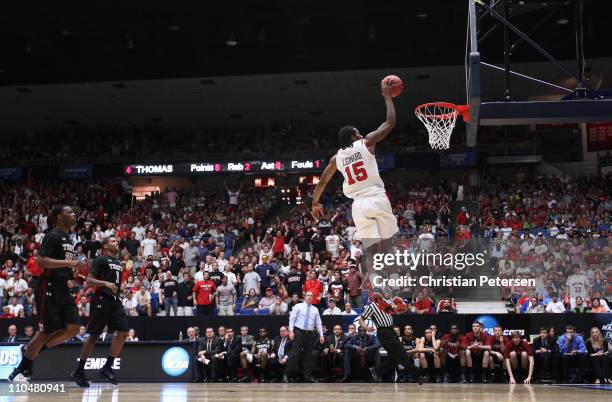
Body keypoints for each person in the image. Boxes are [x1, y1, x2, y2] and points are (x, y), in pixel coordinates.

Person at [312, 82, 398, 277]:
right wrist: (387, 97)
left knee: (371, 247)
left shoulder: (336, 158)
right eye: (357, 132)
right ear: (353, 135)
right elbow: (390, 123)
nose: (360, 134)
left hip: (358, 206)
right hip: (377, 198)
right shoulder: (366, 142)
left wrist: (315, 203)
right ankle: (394, 284)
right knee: (387, 245)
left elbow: (323, 182)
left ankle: (375, 283)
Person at [9, 205, 82, 383]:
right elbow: (41, 261)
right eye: (69, 212)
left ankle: (29, 351)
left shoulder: (67, 238)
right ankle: (19, 371)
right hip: (49, 287)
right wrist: (67, 263)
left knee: (73, 328)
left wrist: (72, 272)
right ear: (58, 217)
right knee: (46, 333)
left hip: (63, 288)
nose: (74, 214)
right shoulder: (52, 235)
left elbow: (63, 263)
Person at [71, 236, 129, 387]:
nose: (117, 242)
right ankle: (79, 370)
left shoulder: (118, 262)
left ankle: (107, 367)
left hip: (115, 301)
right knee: (93, 336)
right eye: (113, 241)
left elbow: (114, 284)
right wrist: (105, 283)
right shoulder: (100, 259)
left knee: (123, 333)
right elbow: (89, 281)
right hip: (102, 300)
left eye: (117, 240)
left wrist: (121, 290)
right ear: (105, 246)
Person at [358, 292, 411, 383]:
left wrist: (401, 307)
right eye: (375, 297)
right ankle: (398, 374)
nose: (378, 298)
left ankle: (378, 372)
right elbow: (361, 319)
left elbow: (399, 310)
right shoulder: (372, 306)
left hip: (391, 330)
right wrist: (366, 327)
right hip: (384, 332)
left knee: (394, 356)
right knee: (398, 353)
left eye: (379, 296)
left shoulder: (387, 302)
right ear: (373, 298)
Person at [284, 291, 324, 383]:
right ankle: (287, 374)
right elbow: (292, 318)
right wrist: (291, 331)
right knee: (294, 354)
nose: (310, 297)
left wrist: (321, 335)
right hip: (299, 332)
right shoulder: (298, 306)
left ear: (313, 298)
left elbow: (318, 322)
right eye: (308, 295)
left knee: (309, 356)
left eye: (311, 295)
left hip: (310, 334)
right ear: (304, 297)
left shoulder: (315, 309)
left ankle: (307, 376)